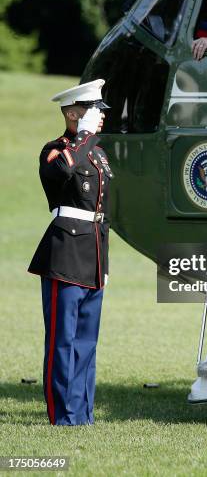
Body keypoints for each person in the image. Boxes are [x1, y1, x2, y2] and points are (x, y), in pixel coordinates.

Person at [28, 79, 113, 425]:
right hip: (64, 253)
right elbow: (59, 174)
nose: (101, 118)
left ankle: (83, 414)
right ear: (74, 113)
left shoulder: (98, 152)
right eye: (95, 111)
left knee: (86, 342)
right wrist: (81, 138)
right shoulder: (56, 149)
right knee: (63, 340)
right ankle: (63, 414)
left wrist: (103, 263)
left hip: (92, 252)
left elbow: (100, 210)